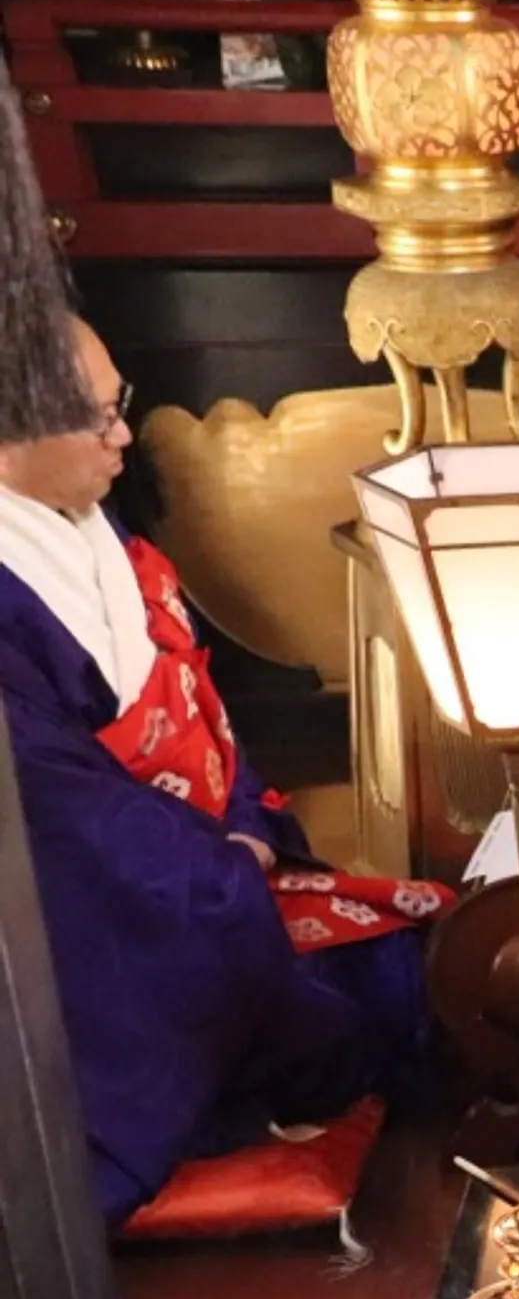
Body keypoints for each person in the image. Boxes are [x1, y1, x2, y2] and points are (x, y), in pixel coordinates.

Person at [0, 317, 439, 1222]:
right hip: (128, 935)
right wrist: (228, 871)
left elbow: (199, 708)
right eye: (98, 418)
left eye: (119, 407)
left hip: (214, 864)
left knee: (420, 958)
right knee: (399, 1003)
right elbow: (72, 828)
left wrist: (245, 823)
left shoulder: (82, 521)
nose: (124, 435)